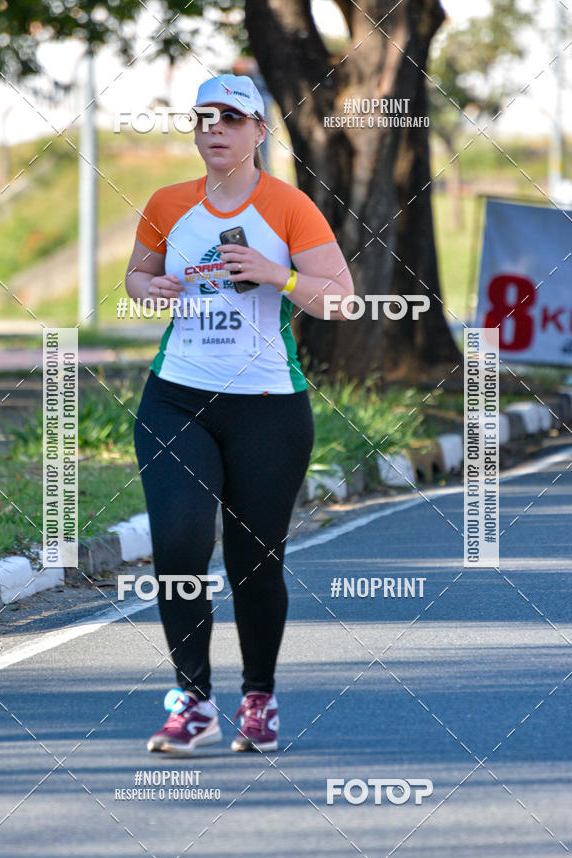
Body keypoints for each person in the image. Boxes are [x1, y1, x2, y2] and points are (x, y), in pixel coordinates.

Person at [125, 73, 354, 756]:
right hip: (176, 398)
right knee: (179, 546)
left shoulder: (288, 206)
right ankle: (192, 703)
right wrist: (152, 287)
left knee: (254, 560)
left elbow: (341, 299)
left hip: (268, 408)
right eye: (204, 118)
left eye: (231, 117)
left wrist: (276, 273)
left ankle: (259, 698)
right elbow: (136, 277)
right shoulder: (168, 203)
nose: (215, 129)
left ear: (258, 131)